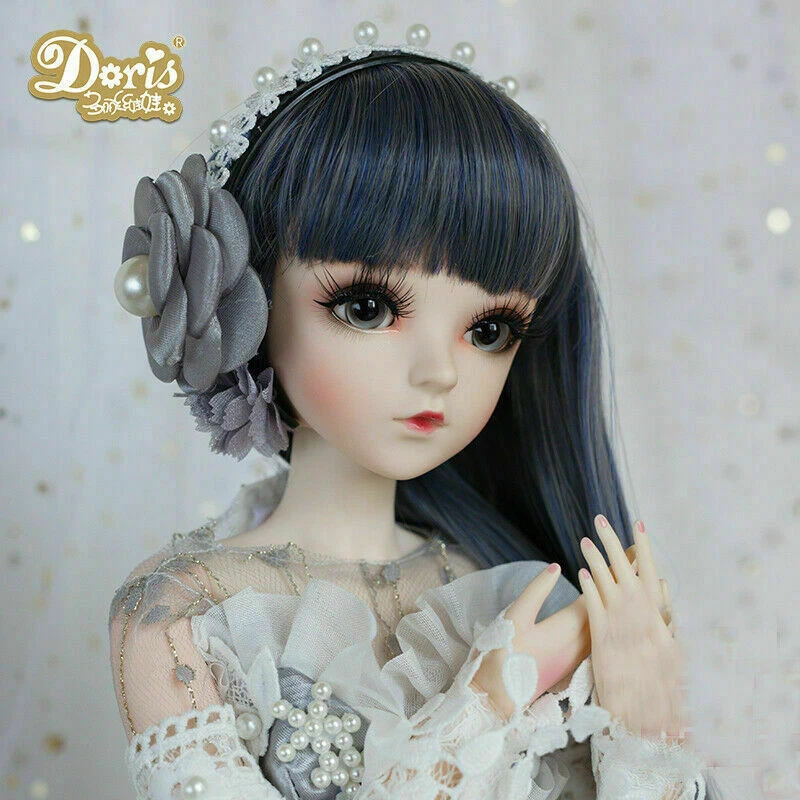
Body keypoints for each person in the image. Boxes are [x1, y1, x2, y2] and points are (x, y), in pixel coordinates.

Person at [109, 22, 724, 800]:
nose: (440, 373)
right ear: (245, 299)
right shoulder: (182, 609)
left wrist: (646, 732)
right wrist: (490, 702)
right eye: (366, 307)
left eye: (489, 330)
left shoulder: (503, 590)